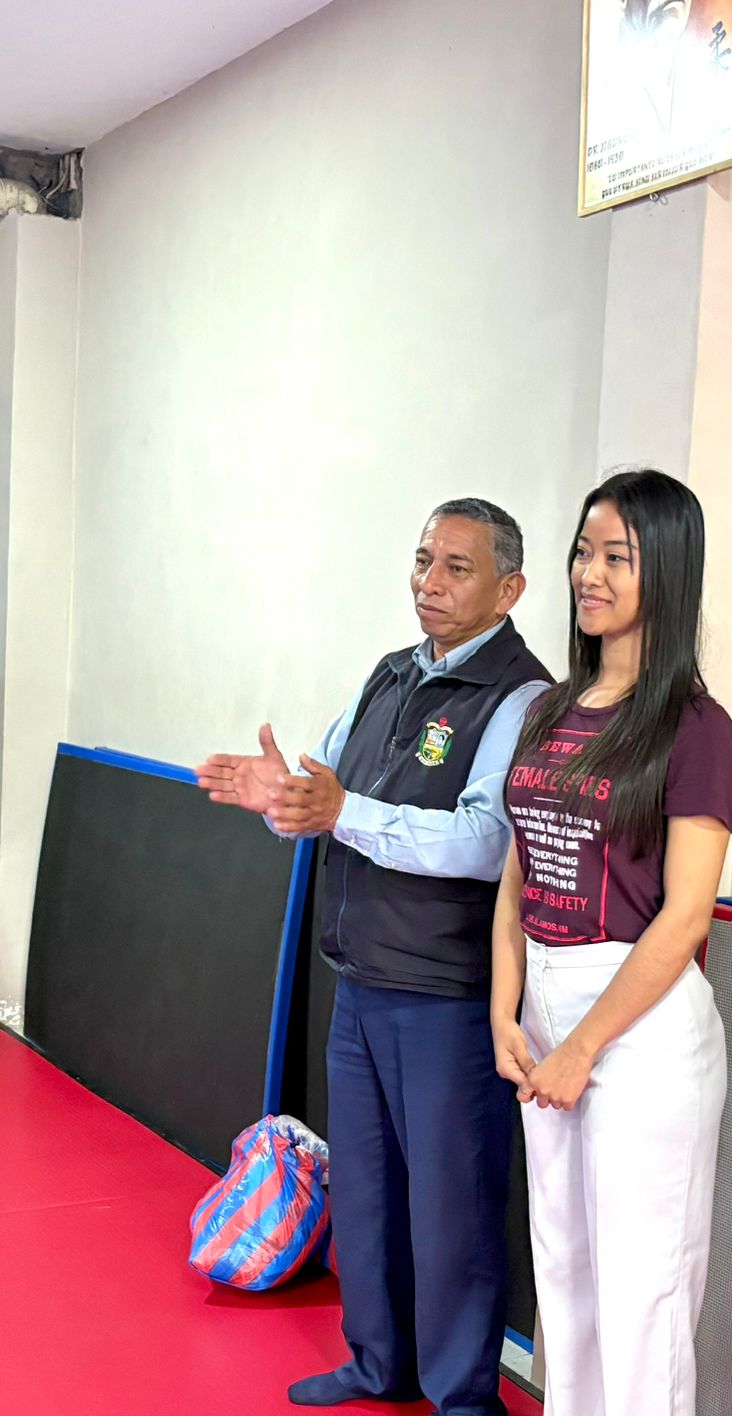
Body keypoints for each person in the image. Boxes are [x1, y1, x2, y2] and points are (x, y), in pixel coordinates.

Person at [196, 498, 551, 1416]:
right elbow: (323, 789)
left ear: (509, 589)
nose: (429, 582)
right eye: (424, 560)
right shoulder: (390, 675)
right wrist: (281, 798)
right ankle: (376, 1361)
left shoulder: (521, 698)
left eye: (457, 567)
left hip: (446, 995)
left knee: (451, 1208)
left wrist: (342, 811)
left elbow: (485, 843)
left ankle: (461, 1395)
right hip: (359, 981)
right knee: (365, 1191)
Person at [490, 468, 732, 1416]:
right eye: (583, 552)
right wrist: (505, 1011)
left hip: (639, 1023)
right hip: (544, 1003)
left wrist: (585, 1045)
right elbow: (518, 874)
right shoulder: (548, 710)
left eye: (617, 557)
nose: (588, 574)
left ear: (666, 571)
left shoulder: (696, 729)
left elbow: (686, 917)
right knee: (564, 1275)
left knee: (643, 1293)